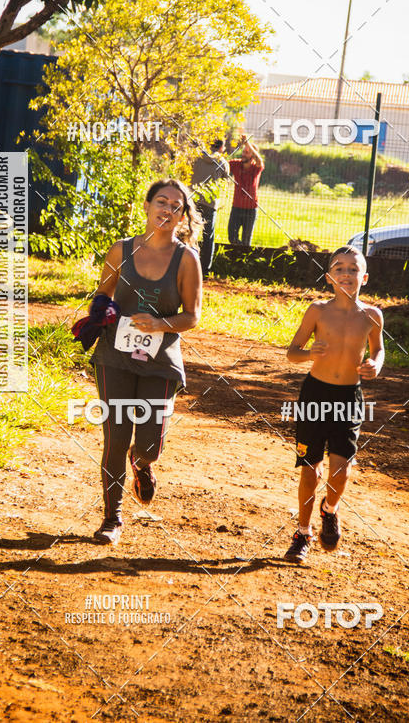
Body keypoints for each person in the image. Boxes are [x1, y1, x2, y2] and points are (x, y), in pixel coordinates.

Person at [90, 180, 202, 546]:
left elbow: (192, 316)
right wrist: (100, 312)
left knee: (149, 443)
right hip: (114, 356)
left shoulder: (187, 260)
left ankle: (143, 463)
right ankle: (112, 518)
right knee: (116, 436)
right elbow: (102, 294)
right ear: (147, 205)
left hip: (160, 360)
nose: (167, 209)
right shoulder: (120, 251)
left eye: (176, 205)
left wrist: (159, 324)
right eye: (161, 201)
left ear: (183, 216)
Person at [283, 246, 384, 562]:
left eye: (353, 269)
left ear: (364, 277)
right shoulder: (317, 311)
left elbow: (378, 351)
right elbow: (292, 351)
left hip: (349, 398)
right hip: (315, 395)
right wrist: (309, 354)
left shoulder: (372, 315)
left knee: (341, 470)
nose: (346, 274)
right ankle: (302, 533)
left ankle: (330, 510)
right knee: (310, 469)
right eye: (339, 268)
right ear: (329, 278)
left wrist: (375, 365)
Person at [190, 139, 230, 277]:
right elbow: (226, 181)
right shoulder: (222, 163)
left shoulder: (196, 158)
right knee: (208, 237)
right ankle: (205, 270)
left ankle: (186, 265)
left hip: (193, 201)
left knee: (190, 233)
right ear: (221, 148)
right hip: (210, 203)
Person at [227, 135, 264, 246]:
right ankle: (238, 254)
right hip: (236, 208)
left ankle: (243, 258)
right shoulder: (236, 164)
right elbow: (223, 164)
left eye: (247, 152)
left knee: (246, 242)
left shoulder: (256, 168)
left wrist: (247, 143)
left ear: (253, 155)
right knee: (232, 238)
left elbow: (259, 160)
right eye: (243, 151)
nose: (243, 154)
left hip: (251, 210)